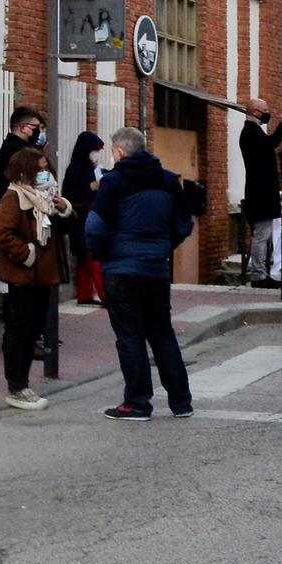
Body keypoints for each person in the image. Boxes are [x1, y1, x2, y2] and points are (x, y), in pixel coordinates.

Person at [86, 127, 195, 421]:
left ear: (120, 152)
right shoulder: (169, 180)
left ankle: (137, 402)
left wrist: (101, 253)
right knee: (162, 333)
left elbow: (95, 226)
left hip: (121, 268)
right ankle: (181, 401)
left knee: (130, 336)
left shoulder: (114, 182)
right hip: (156, 268)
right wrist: (163, 246)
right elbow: (184, 223)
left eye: (113, 151)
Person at [0, 146, 73, 410]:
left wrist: (64, 209)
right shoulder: (14, 198)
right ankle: (16, 386)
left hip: (44, 278)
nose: (44, 174)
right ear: (24, 171)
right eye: (39, 170)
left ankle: (23, 384)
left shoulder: (48, 198)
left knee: (34, 331)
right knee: (19, 332)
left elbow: (68, 228)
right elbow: (1, 234)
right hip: (21, 276)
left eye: (46, 169)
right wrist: (27, 254)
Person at [237, 100, 282, 289]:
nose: (268, 113)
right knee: (261, 235)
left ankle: (261, 271)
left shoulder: (254, 131)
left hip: (261, 193)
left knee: (263, 235)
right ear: (256, 112)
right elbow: (269, 146)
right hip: (260, 194)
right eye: (266, 111)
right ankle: (258, 274)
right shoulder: (251, 132)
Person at [62, 131, 110, 305]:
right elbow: (68, 195)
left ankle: (84, 295)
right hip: (82, 221)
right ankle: (107, 297)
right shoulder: (75, 169)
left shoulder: (91, 168)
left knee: (84, 259)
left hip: (88, 219)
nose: (96, 153)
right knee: (93, 259)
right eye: (94, 150)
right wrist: (91, 187)